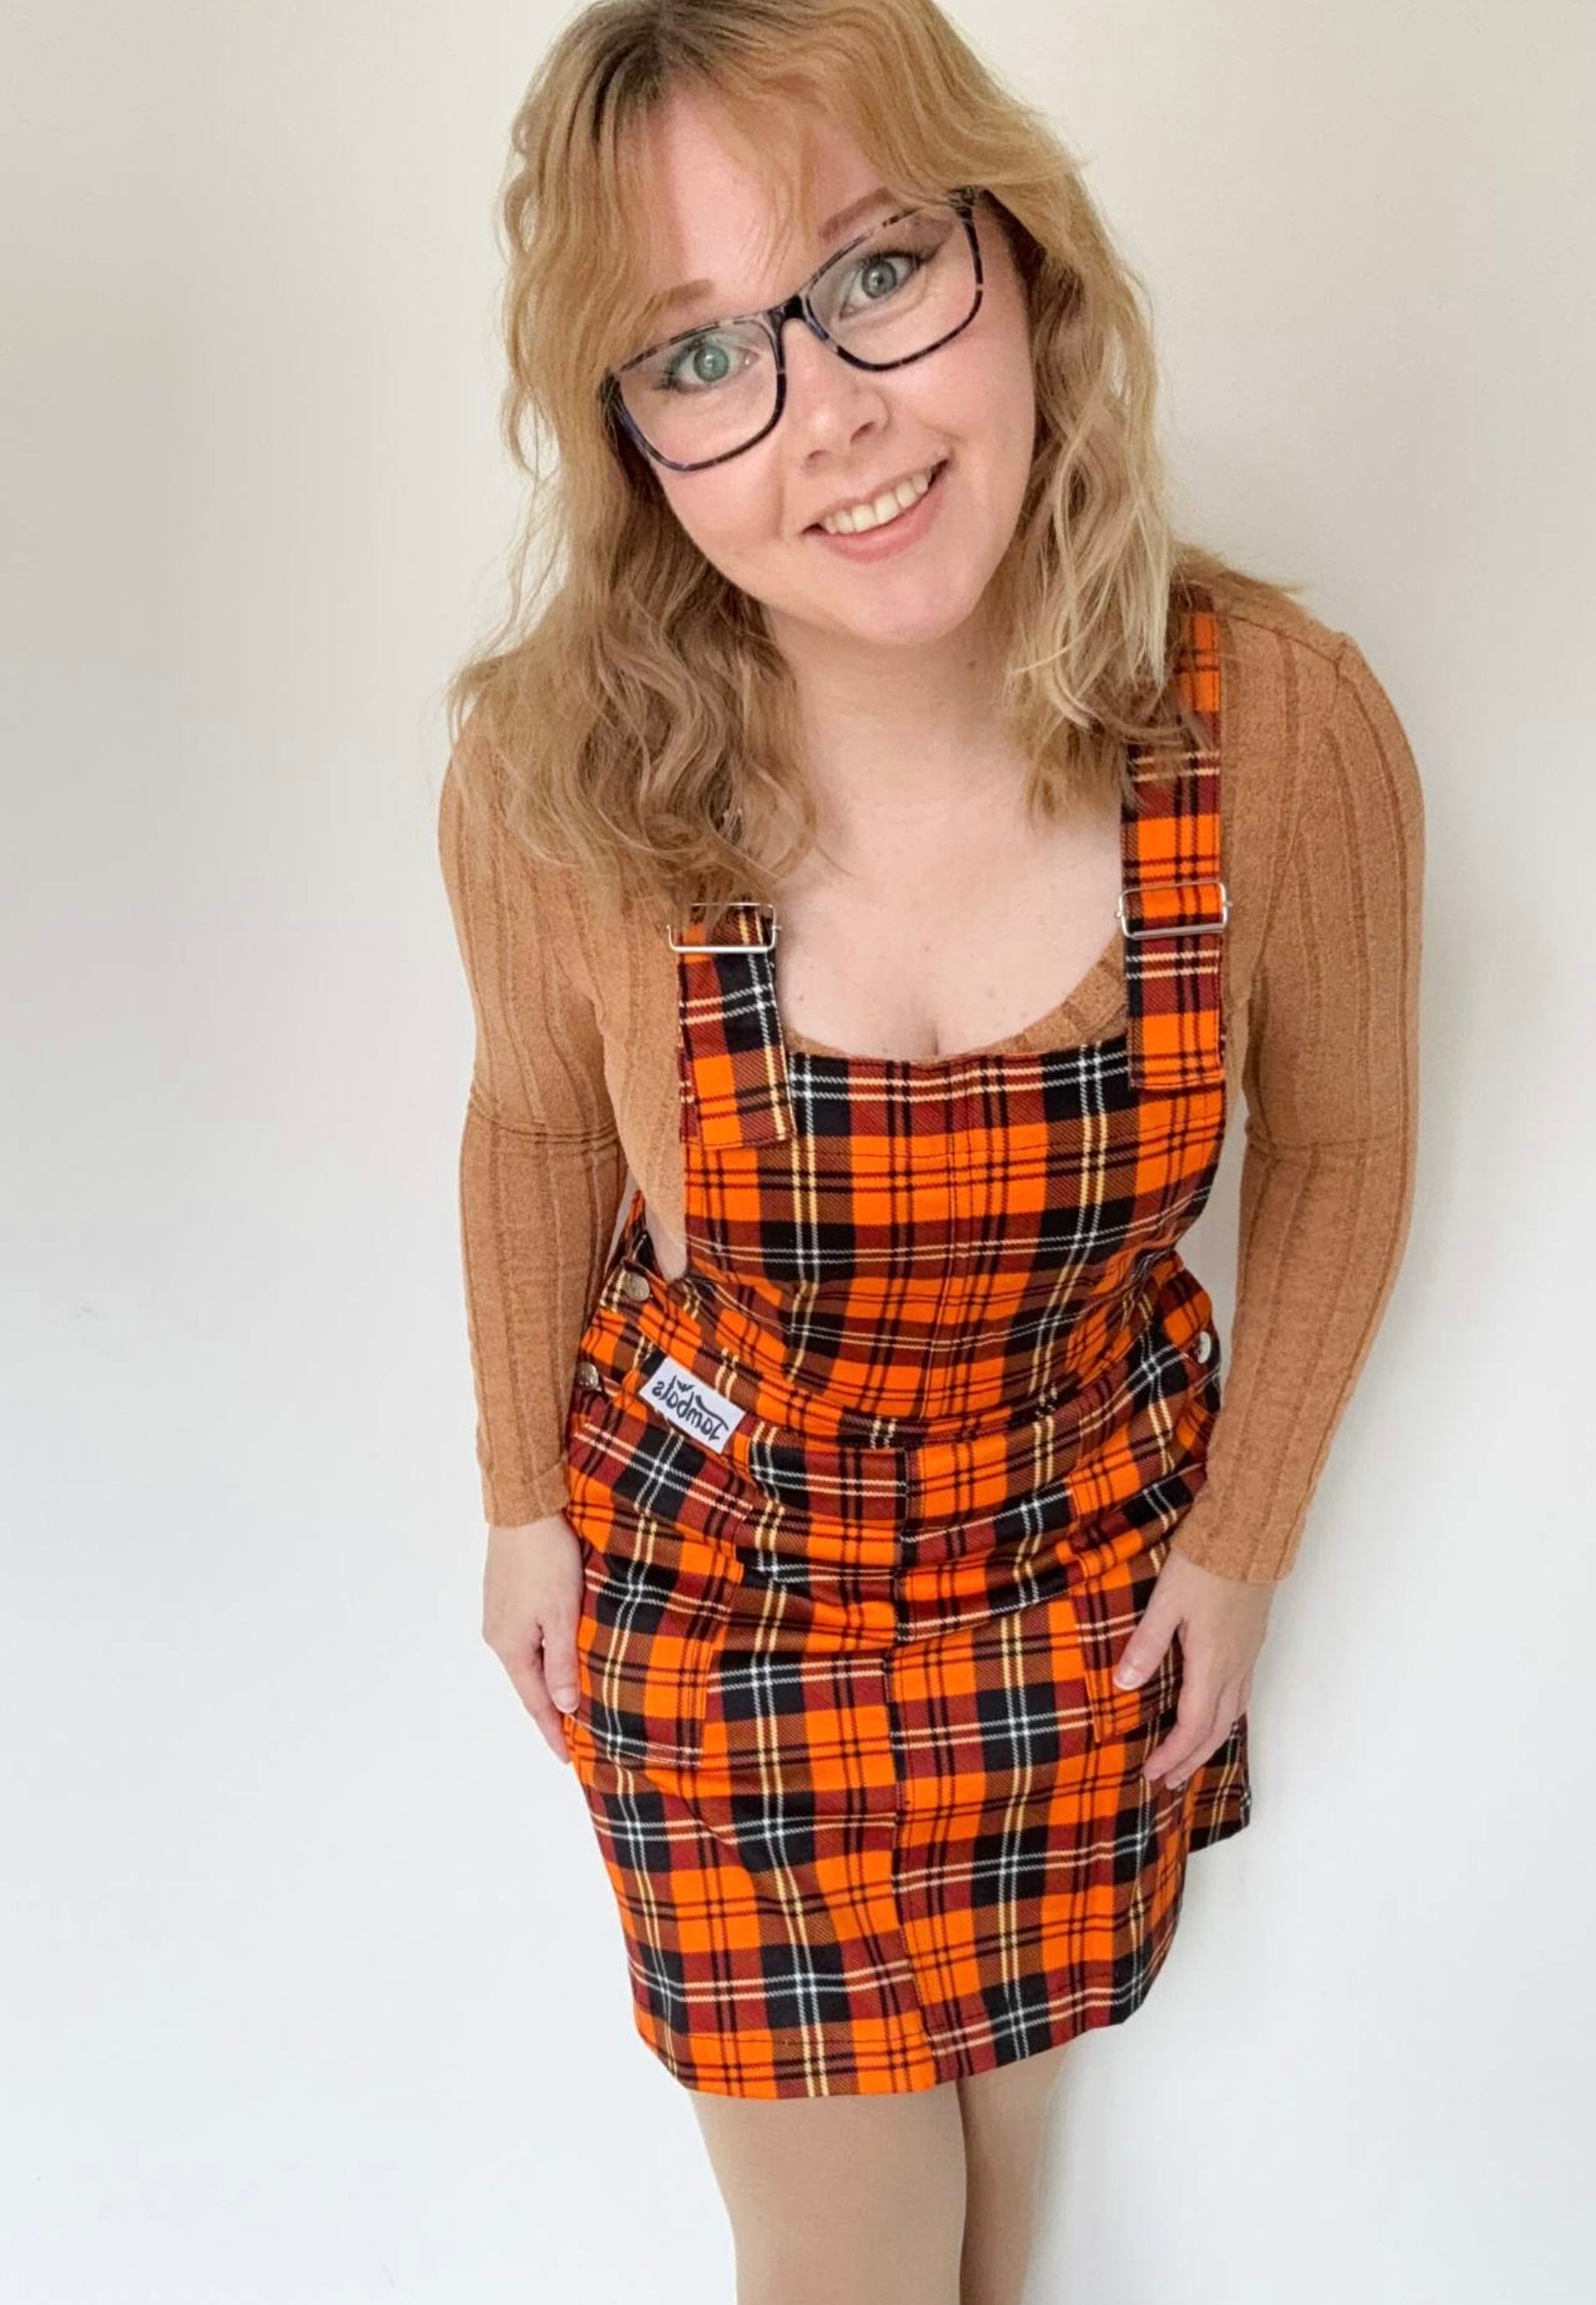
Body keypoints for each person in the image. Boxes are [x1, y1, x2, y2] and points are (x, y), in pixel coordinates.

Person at [435, 3, 1424, 2299]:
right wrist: (512, 1493)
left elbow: (1351, 1145)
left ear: (1023, 252)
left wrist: (1243, 1542)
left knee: (993, 2205)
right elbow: (526, 1121)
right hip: (720, 1588)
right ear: (630, 446)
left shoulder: (1274, 724)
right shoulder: (552, 779)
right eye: (696, 356)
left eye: (873, 268)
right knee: (851, 2268)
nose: (831, 417)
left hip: (1087, 1575)